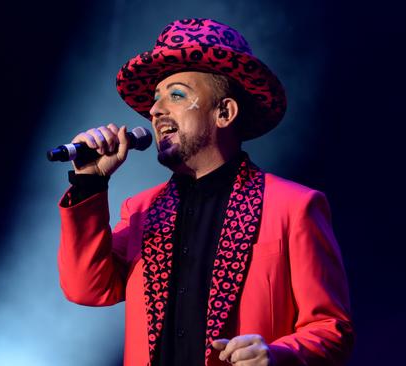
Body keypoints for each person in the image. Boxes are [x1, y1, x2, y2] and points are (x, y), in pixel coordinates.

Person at [57, 18, 354, 366]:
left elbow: (331, 328)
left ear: (224, 112)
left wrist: (278, 356)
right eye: (155, 99)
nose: (155, 110)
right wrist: (90, 181)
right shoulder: (140, 211)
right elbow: (87, 288)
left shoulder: (294, 206)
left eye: (177, 95)